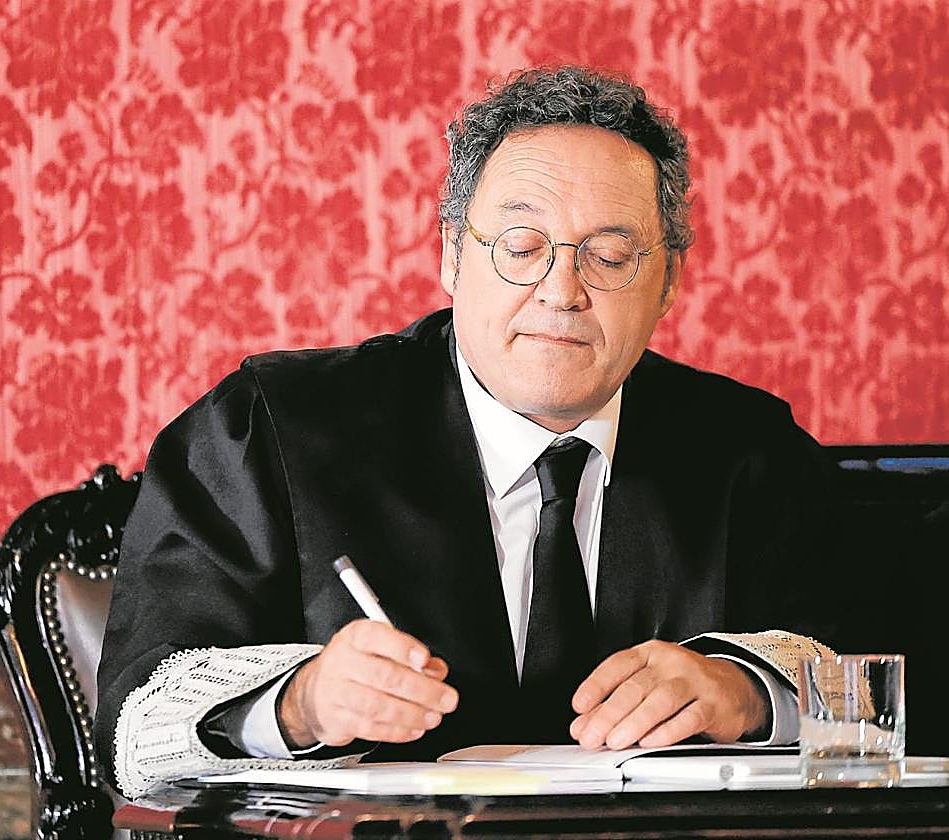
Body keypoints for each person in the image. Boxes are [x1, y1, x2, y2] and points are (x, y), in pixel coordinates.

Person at [96, 66, 838, 799]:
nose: (561, 291)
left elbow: (871, 681)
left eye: (610, 256)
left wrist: (747, 691)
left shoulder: (751, 451)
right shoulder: (268, 428)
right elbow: (136, 726)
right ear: (452, 254)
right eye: (521, 247)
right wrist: (300, 705)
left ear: (669, 279)